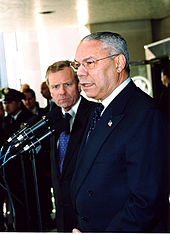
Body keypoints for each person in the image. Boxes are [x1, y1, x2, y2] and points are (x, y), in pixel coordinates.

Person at [71, 32, 169, 233]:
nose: (80, 72)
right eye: (77, 65)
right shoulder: (98, 110)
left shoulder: (144, 115)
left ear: (118, 63)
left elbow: (146, 201)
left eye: (89, 63)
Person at [45, 60, 96, 232]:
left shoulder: (96, 114)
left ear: (79, 85)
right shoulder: (49, 121)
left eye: (67, 84)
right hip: (63, 216)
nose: (62, 92)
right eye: (56, 87)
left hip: (91, 216)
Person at [0, 88, 37, 231]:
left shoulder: (27, 119)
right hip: (9, 173)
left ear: (18, 104)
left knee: (27, 208)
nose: (6, 105)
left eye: (9, 102)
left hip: (24, 174)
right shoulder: (6, 120)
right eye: (4, 102)